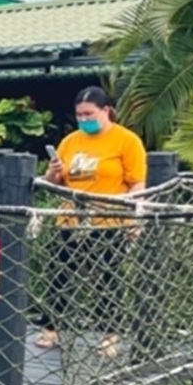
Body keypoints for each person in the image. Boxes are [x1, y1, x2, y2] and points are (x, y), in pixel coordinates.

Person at [39, 85, 148, 355]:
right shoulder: (71, 141)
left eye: (89, 114)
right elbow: (53, 182)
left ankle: (110, 336)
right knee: (60, 275)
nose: (84, 120)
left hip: (108, 220)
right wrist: (53, 172)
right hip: (71, 219)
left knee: (107, 278)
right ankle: (52, 330)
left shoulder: (126, 140)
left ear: (106, 111)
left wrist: (134, 218)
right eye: (79, 115)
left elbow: (137, 184)